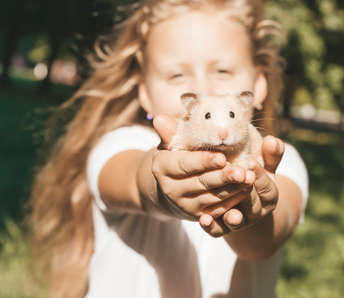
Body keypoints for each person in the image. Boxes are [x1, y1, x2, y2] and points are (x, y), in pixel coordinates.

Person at [30, 0, 309, 297]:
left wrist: (252, 211)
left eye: (223, 71)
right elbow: (133, 177)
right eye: (177, 75)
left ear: (258, 86)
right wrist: (158, 187)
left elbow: (264, 242)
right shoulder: (121, 144)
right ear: (144, 94)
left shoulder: (279, 159)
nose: (204, 89)